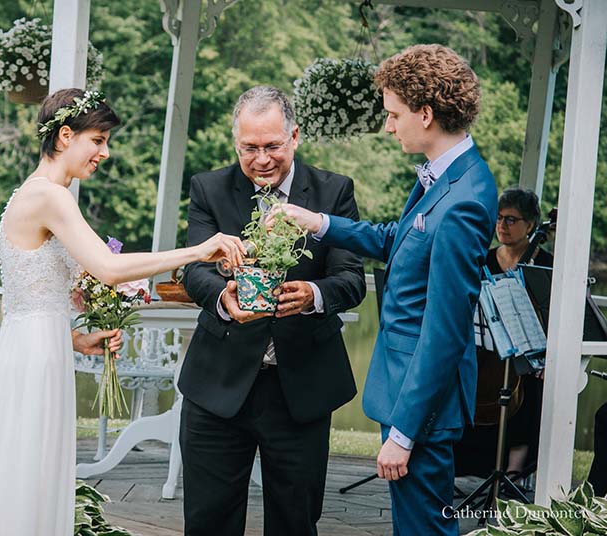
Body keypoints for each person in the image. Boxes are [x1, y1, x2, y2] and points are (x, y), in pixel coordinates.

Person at [0, 88, 245, 536]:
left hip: (32, 350)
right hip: (35, 360)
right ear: (65, 136)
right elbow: (106, 267)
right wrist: (198, 250)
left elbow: (19, 301)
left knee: (29, 467)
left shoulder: (33, 193)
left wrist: (74, 338)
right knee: (28, 470)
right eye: (98, 139)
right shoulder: (51, 196)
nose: (105, 152)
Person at [275, 45, 498, 535]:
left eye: (394, 114)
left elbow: (445, 331)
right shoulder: (446, 178)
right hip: (405, 391)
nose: (389, 126)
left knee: (424, 530)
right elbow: (398, 241)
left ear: (426, 113)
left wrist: (404, 432)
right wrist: (319, 222)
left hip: (420, 406)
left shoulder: (465, 200)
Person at [179, 85, 366, 536]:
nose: (262, 159)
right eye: (249, 148)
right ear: (236, 143)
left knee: (295, 523)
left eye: (272, 146)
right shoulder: (208, 187)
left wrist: (313, 294)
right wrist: (222, 298)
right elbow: (194, 267)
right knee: (208, 522)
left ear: (295, 137)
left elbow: (351, 278)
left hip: (299, 388)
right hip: (217, 385)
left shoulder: (333, 191)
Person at [455, 187, 553, 482]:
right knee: (461, 378)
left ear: (531, 225)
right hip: (485, 348)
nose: (502, 225)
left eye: (511, 219)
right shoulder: (483, 260)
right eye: (499, 218)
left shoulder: (545, 264)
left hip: (526, 351)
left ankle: (514, 469)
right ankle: (461, 462)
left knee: (530, 384)